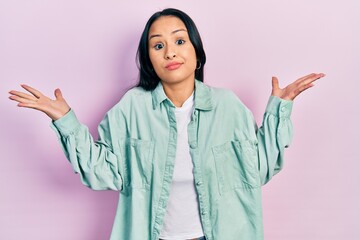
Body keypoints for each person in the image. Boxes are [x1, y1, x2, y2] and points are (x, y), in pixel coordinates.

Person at [8, 8, 325, 240]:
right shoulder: (132, 108)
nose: (170, 52)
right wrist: (65, 121)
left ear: (197, 53)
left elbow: (257, 170)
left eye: (180, 41)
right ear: (149, 60)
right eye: (158, 45)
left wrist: (280, 109)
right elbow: (102, 172)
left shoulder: (227, 106)